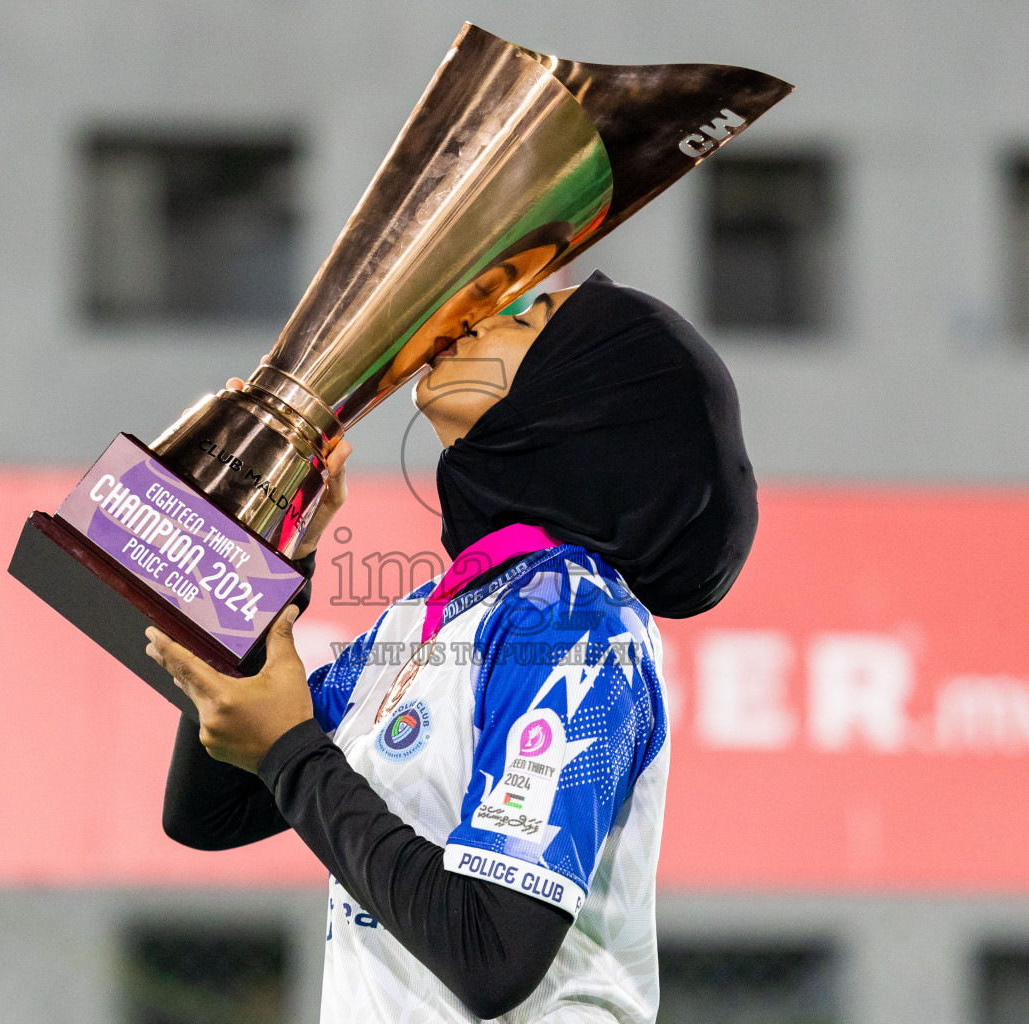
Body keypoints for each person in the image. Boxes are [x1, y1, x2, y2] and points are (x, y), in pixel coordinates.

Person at [145, 270, 758, 1023]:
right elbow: (211, 812)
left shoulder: (575, 624)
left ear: (573, 403)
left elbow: (492, 955)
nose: (474, 323)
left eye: (525, 322)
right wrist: (264, 559)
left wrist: (291, 750)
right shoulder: (426, 620)